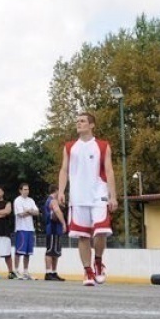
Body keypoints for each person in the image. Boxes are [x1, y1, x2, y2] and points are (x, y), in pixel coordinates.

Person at [56, 112, 117, 286]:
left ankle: (98, 261)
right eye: (77, 121)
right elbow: (64, 170)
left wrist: (113, 196)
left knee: (101, 231)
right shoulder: (69, 147)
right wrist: (61, 191)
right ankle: (88, 271)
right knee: (83, 236)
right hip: (78, 196)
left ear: (91, 125)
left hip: (99, 194)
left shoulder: (103, 146)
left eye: (82, 121)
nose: (78, 123)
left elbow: (109, 171)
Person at [12, 183, 39, 280]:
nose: (26, 191)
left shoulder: (31, 200)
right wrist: (30, 211)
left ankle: (25, 271)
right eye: (24, 189)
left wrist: (27, 211)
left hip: (30, 229)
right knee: (19, 251)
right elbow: (20, 214)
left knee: (28, 252)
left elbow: (37, 212)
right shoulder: (17, 200)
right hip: (21, 228)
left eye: (27, 189)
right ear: (20, 190)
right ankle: (16, 270)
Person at [42, 190, 67, 281]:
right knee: (50, 251)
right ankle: (48, 272)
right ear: (56, 191)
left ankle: (53, 272)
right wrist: (64, 223)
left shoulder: (51, 201)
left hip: (55, 229)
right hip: (53, 228)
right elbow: (57, 211)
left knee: (55, 252)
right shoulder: (52, 200)